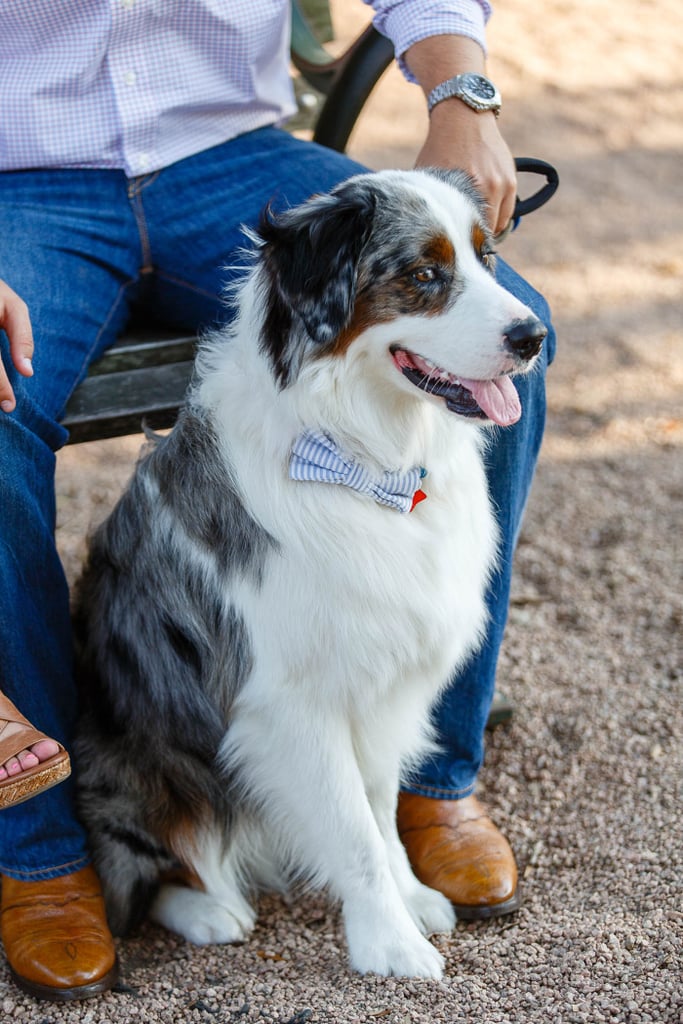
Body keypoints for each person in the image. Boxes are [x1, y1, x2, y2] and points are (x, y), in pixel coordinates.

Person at [0, 0, 555, 1002]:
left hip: (228, 153)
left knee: (511, 344)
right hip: (20, 178)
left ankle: (432, 783)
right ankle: (39, 849)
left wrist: (460, 91)